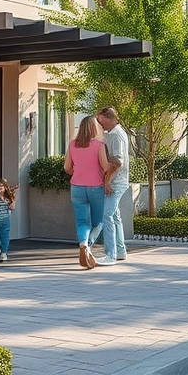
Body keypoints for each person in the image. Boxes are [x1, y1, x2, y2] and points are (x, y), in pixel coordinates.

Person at [64, 115, 117, 269]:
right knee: (99, 221)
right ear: (95, 128)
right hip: (95, 187)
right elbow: (106, 167)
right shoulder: (99, 145)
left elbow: (67, 168)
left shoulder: (73, 144)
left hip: (76, 187)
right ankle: (87, 246)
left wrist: (79, 171)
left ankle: (82, 243)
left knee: (81, 221)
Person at [91, 106, 131, 266]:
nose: (100, 125)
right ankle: (120, 251)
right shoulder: (113, 134)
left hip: (116, 182)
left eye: (101, 121)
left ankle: (111, 254)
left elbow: (117, 162)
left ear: (108, 118)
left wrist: (107, 181)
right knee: (115, 216)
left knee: (106, 215)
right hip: (116, 181)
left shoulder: (116, 135)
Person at [0, 178, 18, 261]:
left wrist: (13, 201)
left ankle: (4, 253)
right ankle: (1, 248)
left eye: (1, 188)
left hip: (5, 220)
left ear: (5, 188)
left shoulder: (8, 198)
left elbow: (13, 206)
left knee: (4, 237)